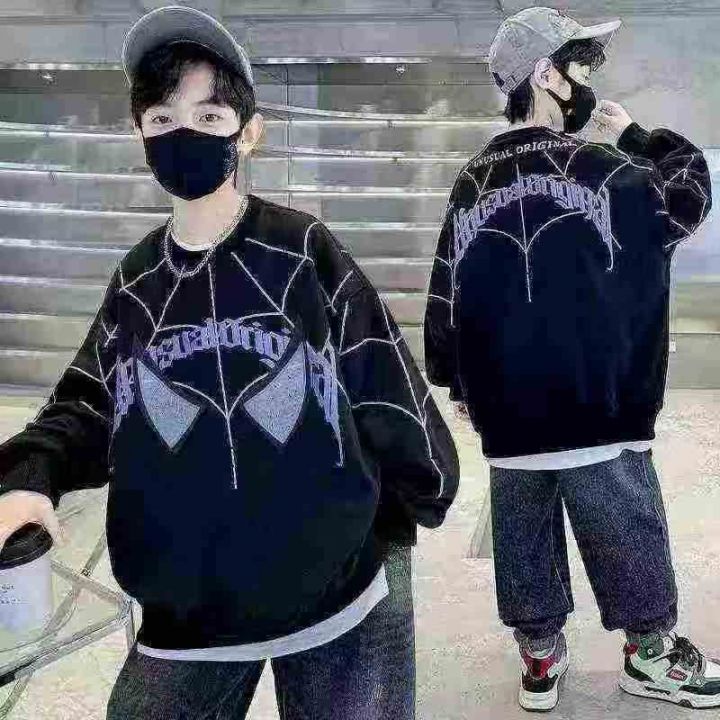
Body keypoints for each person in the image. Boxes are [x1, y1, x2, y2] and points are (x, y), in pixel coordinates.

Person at [0, 6, 460, 718]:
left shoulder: (302, 251)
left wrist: (411, 504)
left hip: (334, 592)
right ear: (139, 133)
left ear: (249, 132)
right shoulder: (136, 283)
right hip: (188, 611)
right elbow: (88, 403)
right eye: (162, 118)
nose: (183, 134)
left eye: (209, 117)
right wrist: (29, 478)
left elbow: (382, 380)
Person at [424, 5, 718, 713]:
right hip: (598, 402)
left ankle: (539, 657)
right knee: (624, 526)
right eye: (580, 65)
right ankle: (650, 655)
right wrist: (635, 135)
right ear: (547, 76)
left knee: (523, 531)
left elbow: (448, 286)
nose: (587, 79)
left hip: (508, 409)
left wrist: (455, 378)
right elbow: (691, 189)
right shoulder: (610, 171)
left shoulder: (472, 179)